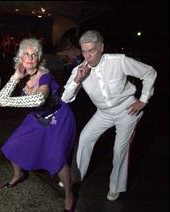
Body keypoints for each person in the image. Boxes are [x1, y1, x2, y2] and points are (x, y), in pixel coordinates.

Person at [61, 30, 157, 201]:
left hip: (127, 111)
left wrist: (143, 100)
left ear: (101, 48)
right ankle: (75, 178)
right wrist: (77, 80)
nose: (88, 56)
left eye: (92, 51)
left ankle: (116, 187)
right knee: (84, 138)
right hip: (103, 113)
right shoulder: (79, 70)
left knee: (119, 150)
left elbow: (149, 72)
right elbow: (65, 98)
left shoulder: (118, 61)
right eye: (84, 51)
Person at [0, 38, 77, 212]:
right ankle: (18, 174)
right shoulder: (20, 76)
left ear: (39, 59)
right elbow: (1, 97)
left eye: (34, 55)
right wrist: (15, 78)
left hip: (57, 118)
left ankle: (69, 194)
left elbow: (38, 99)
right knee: (12, 145)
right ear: (20, 58)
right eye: (26, 54)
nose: (30, 58)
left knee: (57, 158)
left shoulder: (44, 74)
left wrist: (7, 102)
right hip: (36, 118)